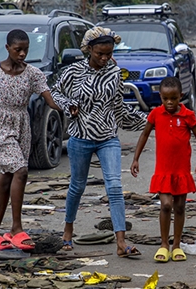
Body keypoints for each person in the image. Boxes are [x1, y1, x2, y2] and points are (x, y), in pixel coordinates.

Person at [0, 29, 62, 248]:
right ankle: (16, 227)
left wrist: (69, 107)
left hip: (21, 127)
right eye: (18, 49)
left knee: (7, 178)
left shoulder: (34, 74)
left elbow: (50, 100)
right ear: (7, 48)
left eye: (26, 49)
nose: (23, 54)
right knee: (21, 170)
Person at [51, 27, 147, 257]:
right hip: (80, 138)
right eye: (100, 54)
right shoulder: (73, 72)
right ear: (89, 49)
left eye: (109, 53)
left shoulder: (114, 73)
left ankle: (121, 243)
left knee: (114, 187)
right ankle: (68, 230)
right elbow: (54, 94)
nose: (104, 58)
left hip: (107, 138)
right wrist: (68, 105)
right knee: (77, 187)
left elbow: (119, 107)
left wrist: (149, 121)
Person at [130, 76, 196, 263]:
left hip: (181, 170)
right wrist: (136, 158)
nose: (170, 103)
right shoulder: (156, 114)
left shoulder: (188, 115)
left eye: (174, 98)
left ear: (181, 96)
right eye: (165, 99)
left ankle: (177, 245)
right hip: (163, 170)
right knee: (165, 205)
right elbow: (145, 133)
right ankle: (164, 245)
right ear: (160, 97)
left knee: (180, 207)